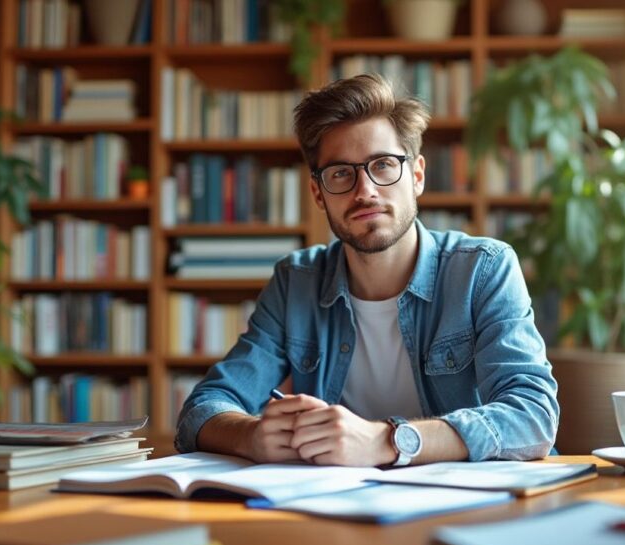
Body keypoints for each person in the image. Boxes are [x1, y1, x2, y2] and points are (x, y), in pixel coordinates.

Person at [175, 74, 558, 467]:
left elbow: (533, 417)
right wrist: (250, 435)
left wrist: (388, 441)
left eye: (383, 165)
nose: (365, 191)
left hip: (471, 506)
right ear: (318, 193)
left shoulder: (483, 269)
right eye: (341, 173)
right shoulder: (296, 282)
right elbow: (201, 411)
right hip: (337, 506)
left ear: (417, 175)